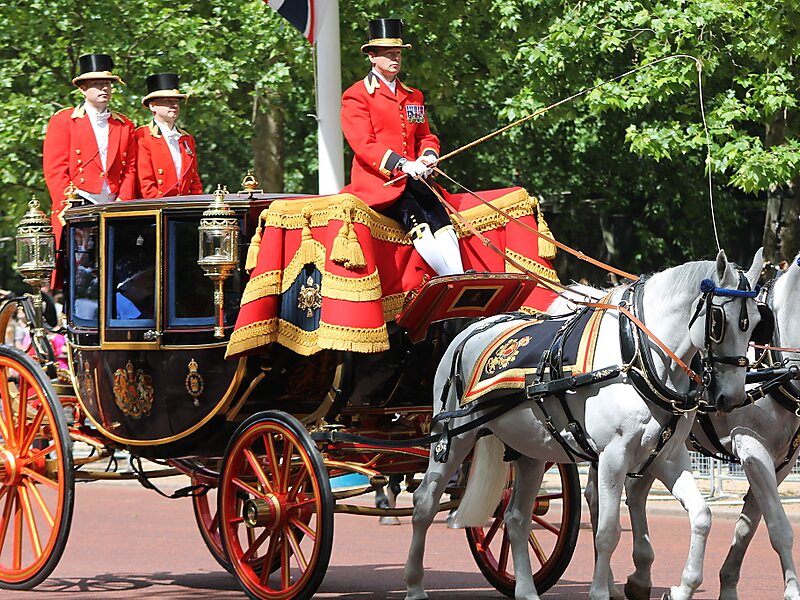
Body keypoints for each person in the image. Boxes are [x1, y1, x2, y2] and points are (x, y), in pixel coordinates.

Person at [341, 18, 463, 276]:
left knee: (440, 216)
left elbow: (426, 137)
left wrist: (428, 158)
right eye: (388, 54)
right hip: (379, 183)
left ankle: (459, 276)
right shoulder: (357, 95)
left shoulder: (413, 96)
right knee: (416, 216)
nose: (395, 59)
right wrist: (403, 163)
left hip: (416, 178)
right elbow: (363, 143)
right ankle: (447, 277)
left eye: (397, 54)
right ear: (372, 57)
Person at [43, 53, 137, 243]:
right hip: (79, 201)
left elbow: (131, 167)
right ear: (83, 89)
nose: (104, 88)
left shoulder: (124, 124)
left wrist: (123, 201)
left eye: (108, 84)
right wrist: (69, 205)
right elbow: (55, 169)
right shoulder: (64, 120)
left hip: (113, 203)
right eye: (97, 83)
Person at [135, 72, 203, 198]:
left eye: (176, 101)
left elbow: (194, 180)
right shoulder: (143, 135)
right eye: (167, 101)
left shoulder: (186, 139)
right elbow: (145, 181)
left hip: (184, 208)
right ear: (152, 106)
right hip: (156, 207)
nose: (175, 105)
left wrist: (196, 205)